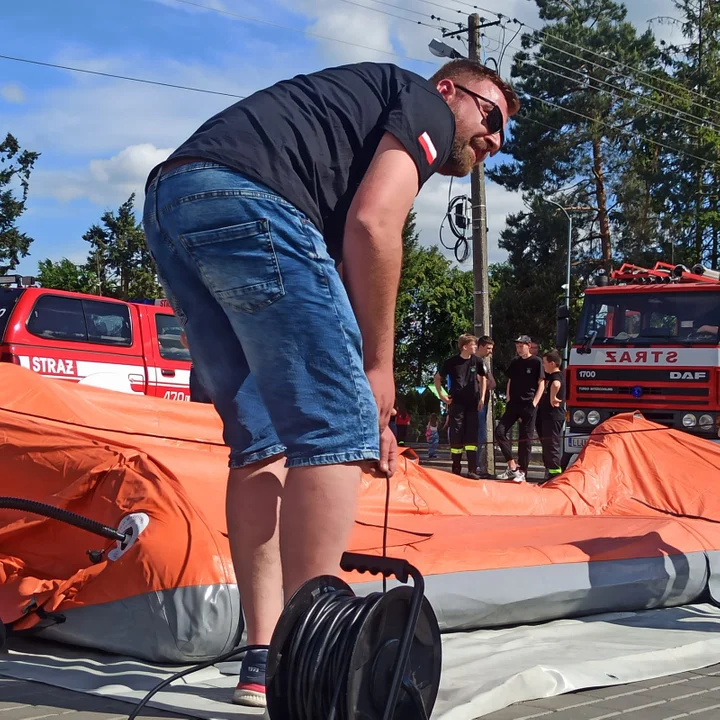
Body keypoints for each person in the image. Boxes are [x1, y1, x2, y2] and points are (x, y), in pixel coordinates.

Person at [142, 59, 518, 707]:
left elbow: (340, 272)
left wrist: (361, 397)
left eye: (505, 136)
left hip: (175, 202)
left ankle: (265, 658)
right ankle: (311, 662)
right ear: (450, 89)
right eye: (491, 117)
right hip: (252, 200)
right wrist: (377, 370)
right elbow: (375, 224)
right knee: (333, 433)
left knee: (262, 442)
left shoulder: (349, 128)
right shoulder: (423, 104)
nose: (496, 141)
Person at [435, 334, 486, 478]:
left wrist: (482, 397)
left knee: (472, 436)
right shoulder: (451, 362)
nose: (475, 347)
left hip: (472, 403)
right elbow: (437, 378)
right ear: (464, 347)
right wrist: (441, 395)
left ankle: (472, 470)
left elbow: (483, 378)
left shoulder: (477, 361)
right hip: (456, 403)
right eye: (473, 345)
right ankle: (456, 467)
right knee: (456, 434)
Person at [495, 335, 545, 482]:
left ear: (528, 346)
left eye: (521, 345)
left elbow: (541, 383)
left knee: (525, 439)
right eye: (517, 346)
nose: (519, 348)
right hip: (513, 404)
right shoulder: (515, 362)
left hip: (528, 404)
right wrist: (508, 398)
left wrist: (534, 403)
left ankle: (522, 471)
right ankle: (512, 466)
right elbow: (510, 380)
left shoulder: (537, 361)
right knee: (500, 431)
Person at [537, 349, 566, 479]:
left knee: (552, 445)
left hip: (554, 416)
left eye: (545, 363)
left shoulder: (557, 376)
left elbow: (556, 384)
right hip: (547, 416)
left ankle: (555, 475)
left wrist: (553, 397)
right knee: (547, 445)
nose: (543, 365)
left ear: (552, 363)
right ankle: (549, 471)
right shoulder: (549, 375)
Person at [474, 335, 496, 478]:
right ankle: (475, 466)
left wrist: (486, 382)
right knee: (477, 435)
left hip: (484, 403)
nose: (490, 352)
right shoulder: (473, 362)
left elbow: (492, 383)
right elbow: (482, 382)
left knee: (481, 436)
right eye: (488, 348)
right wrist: (484, 383)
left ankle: (478, 466)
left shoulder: (484, 363)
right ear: (480, 346)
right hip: (475, 403)